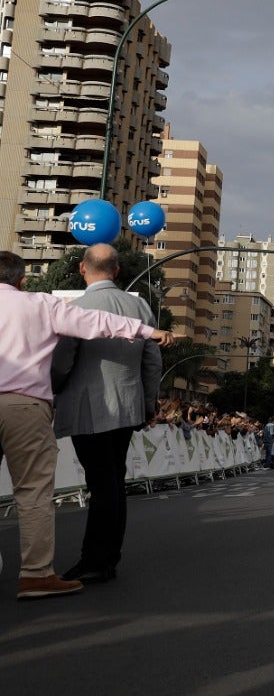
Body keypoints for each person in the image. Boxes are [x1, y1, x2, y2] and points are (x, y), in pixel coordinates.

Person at [46, 244, 164, 586]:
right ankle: (109, 555)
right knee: (113, 479)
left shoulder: (78, 308)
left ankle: (96, 559)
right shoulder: (139, 305)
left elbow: (62, 362)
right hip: (128, 404)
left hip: (88, 407)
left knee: (101, 483)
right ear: (115, 271)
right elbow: (152, 361)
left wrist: (54, 389)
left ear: (83, 269)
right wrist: (147, 402)